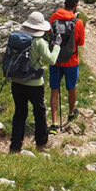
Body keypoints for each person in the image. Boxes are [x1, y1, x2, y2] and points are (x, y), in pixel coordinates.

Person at [8, 12, 61, 153]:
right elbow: (51, 60)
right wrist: (57, 46)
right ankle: (41, 143)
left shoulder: (17, 39)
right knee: (39, 111)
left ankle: (15, 146)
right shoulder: (39, 42)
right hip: (35, 83)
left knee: (20, 112)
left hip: (17, 81)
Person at [49, 0, 86, 125]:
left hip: (55, 59)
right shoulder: (78, 23)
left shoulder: (54, 17)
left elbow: (50, 33)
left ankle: (53, 122)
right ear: (76, 6)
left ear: (64, 3)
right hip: (71, 61)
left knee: (54, 90)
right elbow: (81, 43)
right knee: (71, 88)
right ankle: (70, 114)